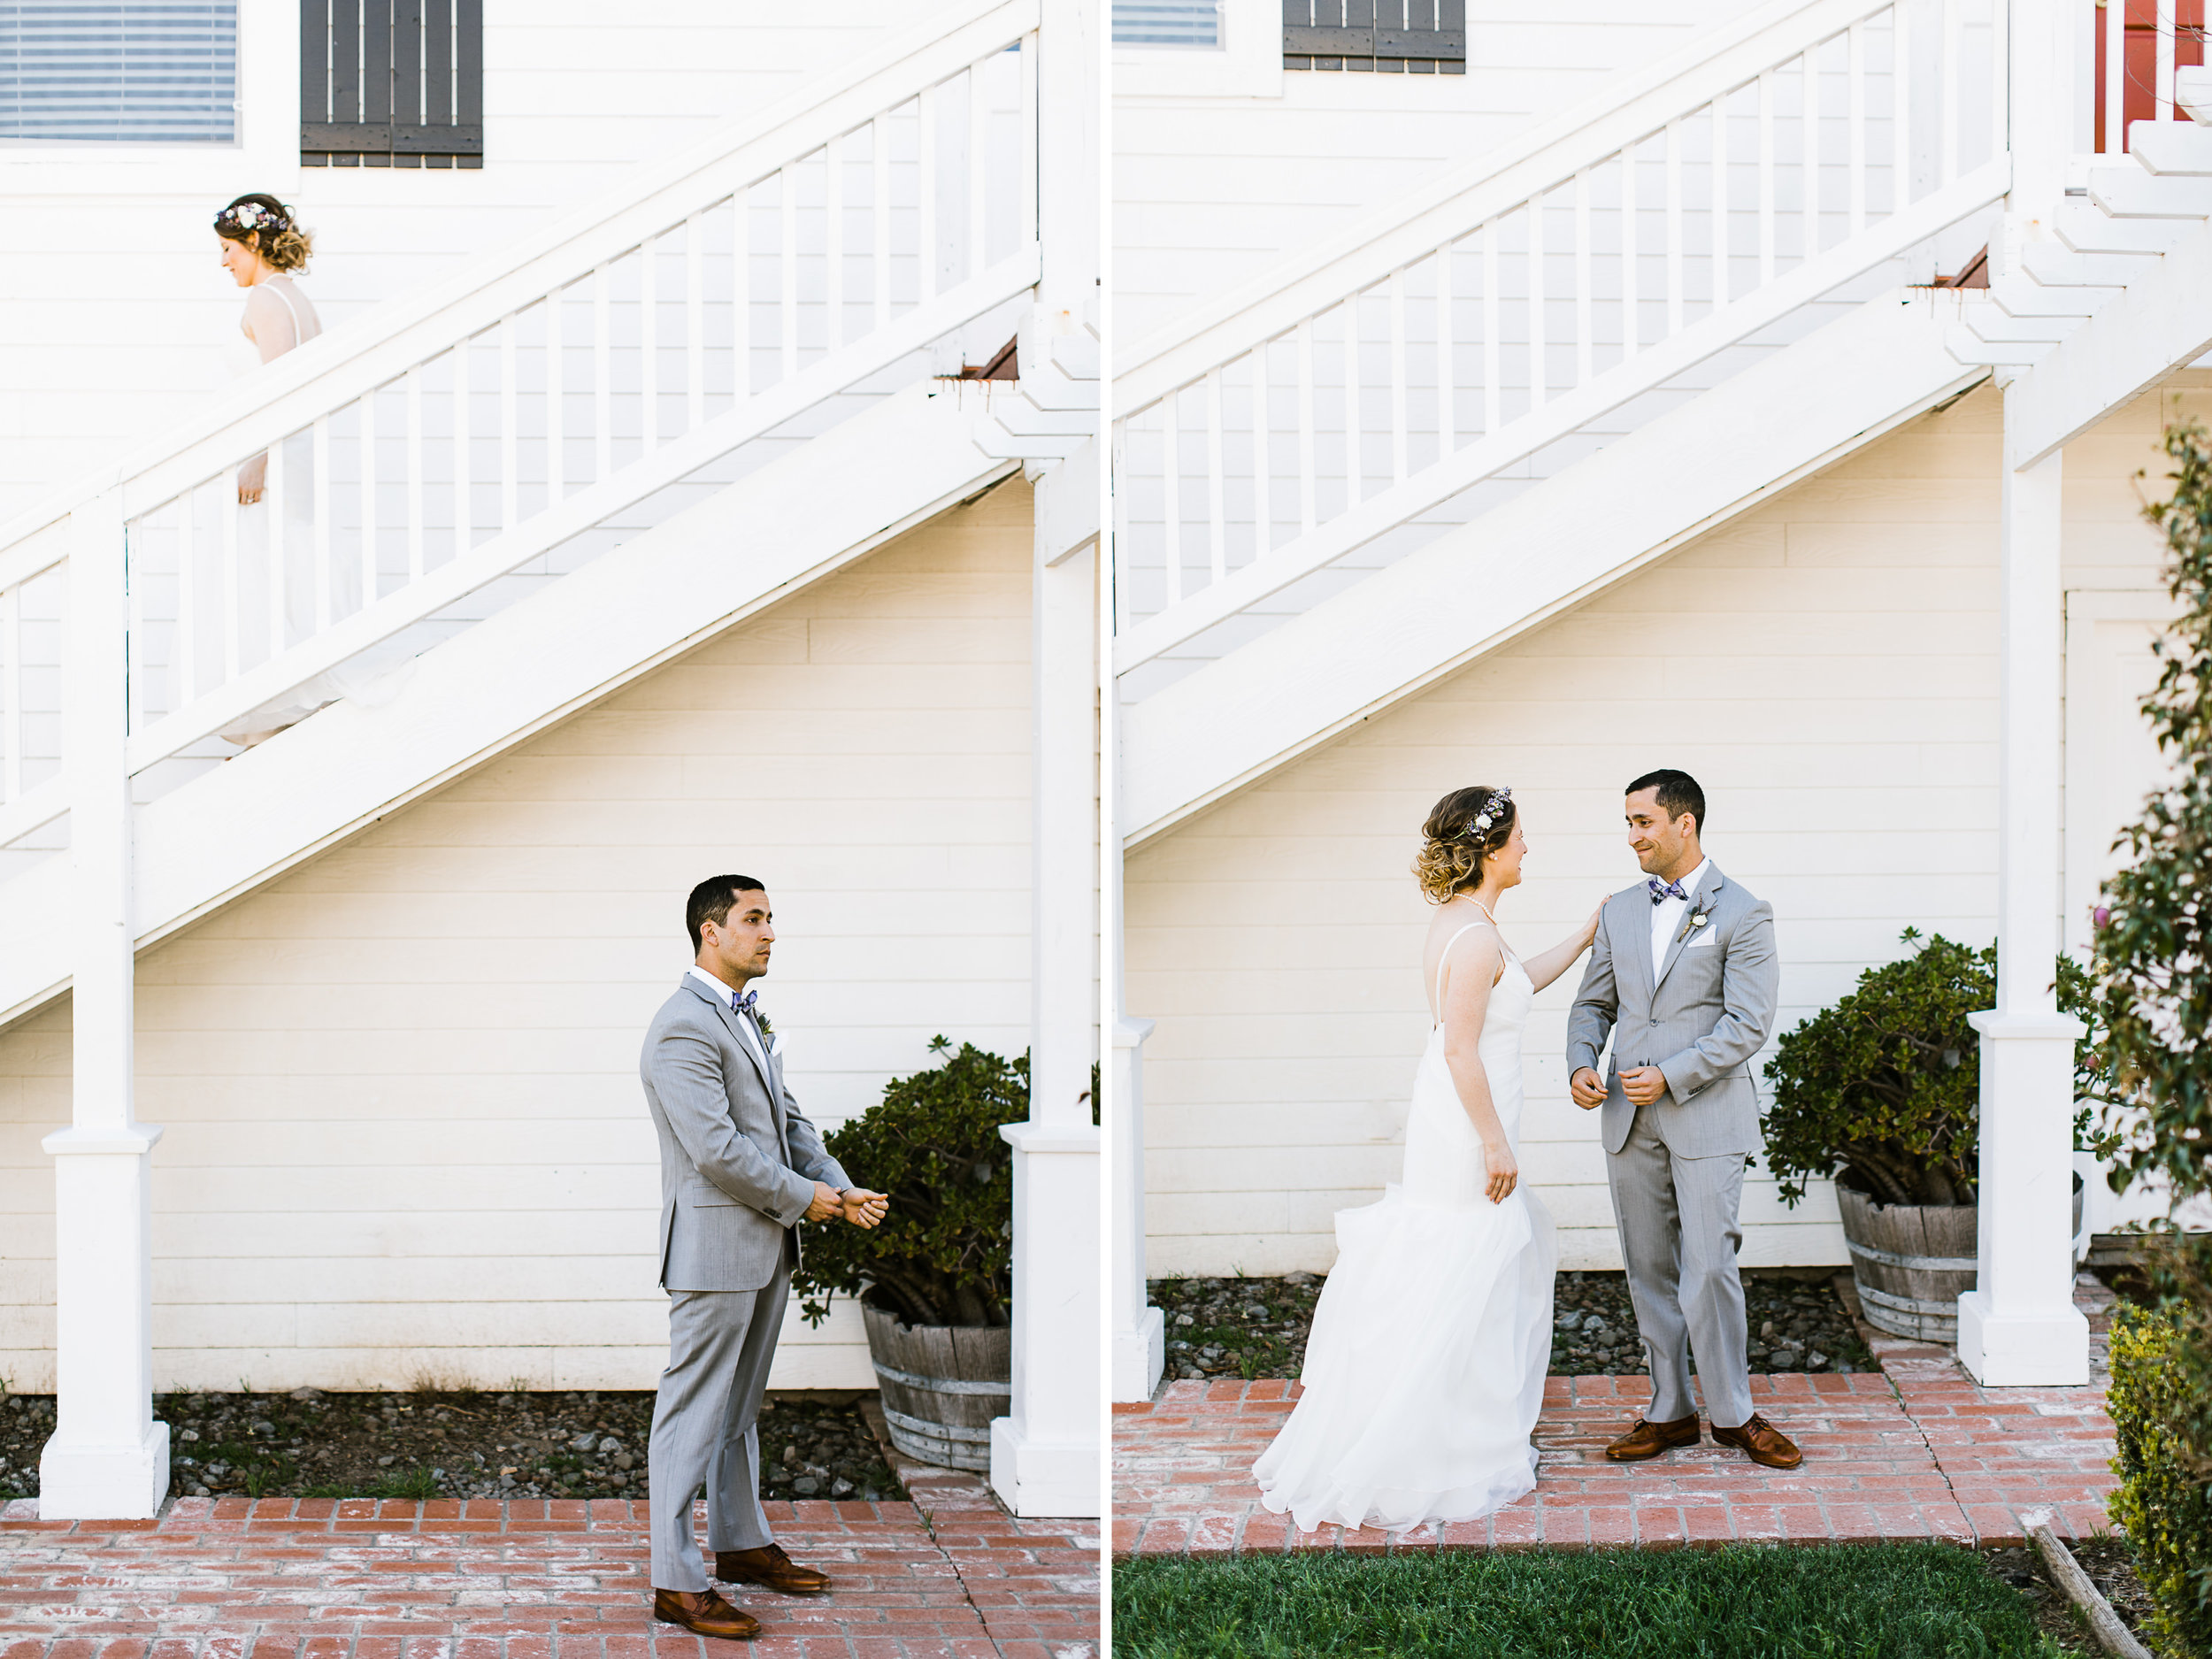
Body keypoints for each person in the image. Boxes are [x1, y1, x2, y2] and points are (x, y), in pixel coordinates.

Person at [1252, 786, 1599, 1534]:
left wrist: (1585, 934)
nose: (1527, 847)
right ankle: (1436, 1451)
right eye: (1519, 838)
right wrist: (1495, 1141)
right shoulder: (1472, 937)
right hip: (1466, 1124)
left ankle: (1461, 1428)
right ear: (1489, 850)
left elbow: (1521, 982)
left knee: (1470, 1265)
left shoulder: (1470, 923)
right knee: (1462, 1266)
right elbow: (1458, 1046)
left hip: (1463, 1114)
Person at [641, 876, 890, 1640]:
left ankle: (740, 1543)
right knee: (692, 1410)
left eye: (772, 919)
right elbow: (716, 1150)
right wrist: (803, 1199)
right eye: (754, 919)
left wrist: (840, 1189)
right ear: (710, 931)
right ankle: (675, 1580)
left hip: (765, 1245)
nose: (770, 932)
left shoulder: (744, 1016)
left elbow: (785, 1121)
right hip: (716, 1249)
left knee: (738, 1409)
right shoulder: (683, 1026)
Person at [1565, 770, 1801, 1471]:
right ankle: (1669, 1411)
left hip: (1706, 1117)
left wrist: (1671, 1073)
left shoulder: (1745, 912)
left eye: (1643, 822)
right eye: (1629, 823)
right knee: (1649, 1269)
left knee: (1708, 1270)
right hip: (1627, 1124)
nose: (1632, 835)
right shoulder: (1619, 912)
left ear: (1685, 824)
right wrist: (1582, 1061)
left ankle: (1733, 1414)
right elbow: (1592, 1005)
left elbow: (1748, 1022)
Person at [211, 194, 399, 744]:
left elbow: (282, 390)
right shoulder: (296, 298)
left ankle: (270, 720)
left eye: (228, 250)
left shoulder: (266, 302)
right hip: (295, 459)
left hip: (275, 460)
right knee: (283, 566)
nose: (224, 263)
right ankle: (277, 714)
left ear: (253, 243)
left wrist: (255, 460)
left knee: (263, 574)